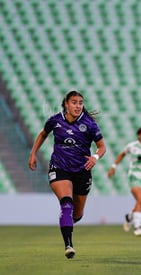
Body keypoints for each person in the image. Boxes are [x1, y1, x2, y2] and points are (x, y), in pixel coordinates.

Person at [28, 90, 106, 259]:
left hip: (82, 171)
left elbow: (102, 147)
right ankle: (68, 245)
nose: (78, 106)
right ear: (66, 104)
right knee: (66, 205)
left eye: (80, 103)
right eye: (74, 102)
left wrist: (95, 157)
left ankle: (69, 222)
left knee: (77, 214)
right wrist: (33, 153)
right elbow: (43, 134)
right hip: (59, 168)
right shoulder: (55, 120)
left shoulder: (89, 124)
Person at [107, 126, 141, 237]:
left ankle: (129, 217)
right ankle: (137, 227)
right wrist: (113, 166)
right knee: (140, 199)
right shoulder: (132, 146)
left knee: (140, 204)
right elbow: (122, 154)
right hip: (135, 176)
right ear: (139, 135)